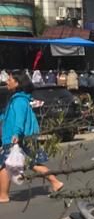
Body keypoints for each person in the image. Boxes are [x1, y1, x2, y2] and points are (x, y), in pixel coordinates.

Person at [0, 71, 64, 203]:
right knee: (32, 163)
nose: (7, 81)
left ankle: (3, 195)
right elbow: (8, 117)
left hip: (16, 138)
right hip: (22, 138)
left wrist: (16, 134)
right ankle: (55, 182)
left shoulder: (18, 101)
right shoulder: (19, 99)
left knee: (5, 165)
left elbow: (19, 119)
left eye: (10, 79)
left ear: (17, 83)